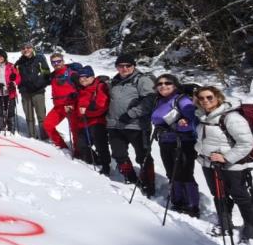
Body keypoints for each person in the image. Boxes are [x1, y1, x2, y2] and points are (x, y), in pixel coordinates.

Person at [195, 85, 253, 241]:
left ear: (218, 97)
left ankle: (252, 228)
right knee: (218, 194)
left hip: (232, 166)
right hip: (209, 164)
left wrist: (226, 158)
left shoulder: (231, 118)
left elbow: (246, 143)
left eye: (209, 97)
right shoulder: (203, 117)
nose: (205, 100)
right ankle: (225, 224)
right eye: (201, 98)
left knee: (240, 196)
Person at [106, 54, 156, 195]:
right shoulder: (114, 82)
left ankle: (149, 183)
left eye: (128, 65)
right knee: (118, 154)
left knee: (143, 156)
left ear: (134, 66)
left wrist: (131, 114)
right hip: (115, 125)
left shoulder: (142, 80)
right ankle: (131, 178)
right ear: (117, 67)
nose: (125, 68)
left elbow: (150, 100)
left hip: (136, 125)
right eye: (121, 66)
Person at [151, 74, 200, 217]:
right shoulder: (159, 100)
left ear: (175, 85)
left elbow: (193, 121)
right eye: (160, 83)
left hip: (183, 142)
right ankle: (177, 200)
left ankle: (192, 205)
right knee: (171, 172)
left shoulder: (182, 100)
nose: (163, 86)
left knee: (185, 173)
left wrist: (180, 126)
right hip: (165, 141)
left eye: (168, 83)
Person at [73, 66, 111, 174]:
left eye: (85, 77)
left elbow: (102, 104)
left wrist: (87, 110)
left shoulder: (100, 86)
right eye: (80, 77)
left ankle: (105, 166)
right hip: (84, 122)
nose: (82, 79)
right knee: (81, 144)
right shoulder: (82, 88)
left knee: (101, 145)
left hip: (97, 122)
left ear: (92, 77)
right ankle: (95, 161)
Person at [43, 53, 79, 151]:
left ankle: (78, 152)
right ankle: (62, 146)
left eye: (59, 61)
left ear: (63, 61)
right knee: (47, 124)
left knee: (75, 130)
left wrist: (74, 100)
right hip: (58, 107)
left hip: (71, 106)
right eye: (54, 62)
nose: (56, 64)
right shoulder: (53, 75)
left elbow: (82, 88)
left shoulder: (72, 74)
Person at [15, 42, 51, 139]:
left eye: (28, 47)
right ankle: (32, 136)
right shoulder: (19, 63)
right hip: (25, 92)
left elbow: (47, 74)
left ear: (32, 48)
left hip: (38, 91)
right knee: (29, 115)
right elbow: (15, 77)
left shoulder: (39, 59)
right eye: (23, 48)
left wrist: (38, 84)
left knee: (41, 115)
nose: (26, 50)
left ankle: (44, 136)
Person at [0, 49, 21, 134]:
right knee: (0, 111)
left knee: (10, 110)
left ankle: (11, 129)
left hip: (10, 91)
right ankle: (2, 129)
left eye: (1, 56)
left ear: (4, 57)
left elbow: (18, 77)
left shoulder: (11, 66)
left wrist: (14, 83)